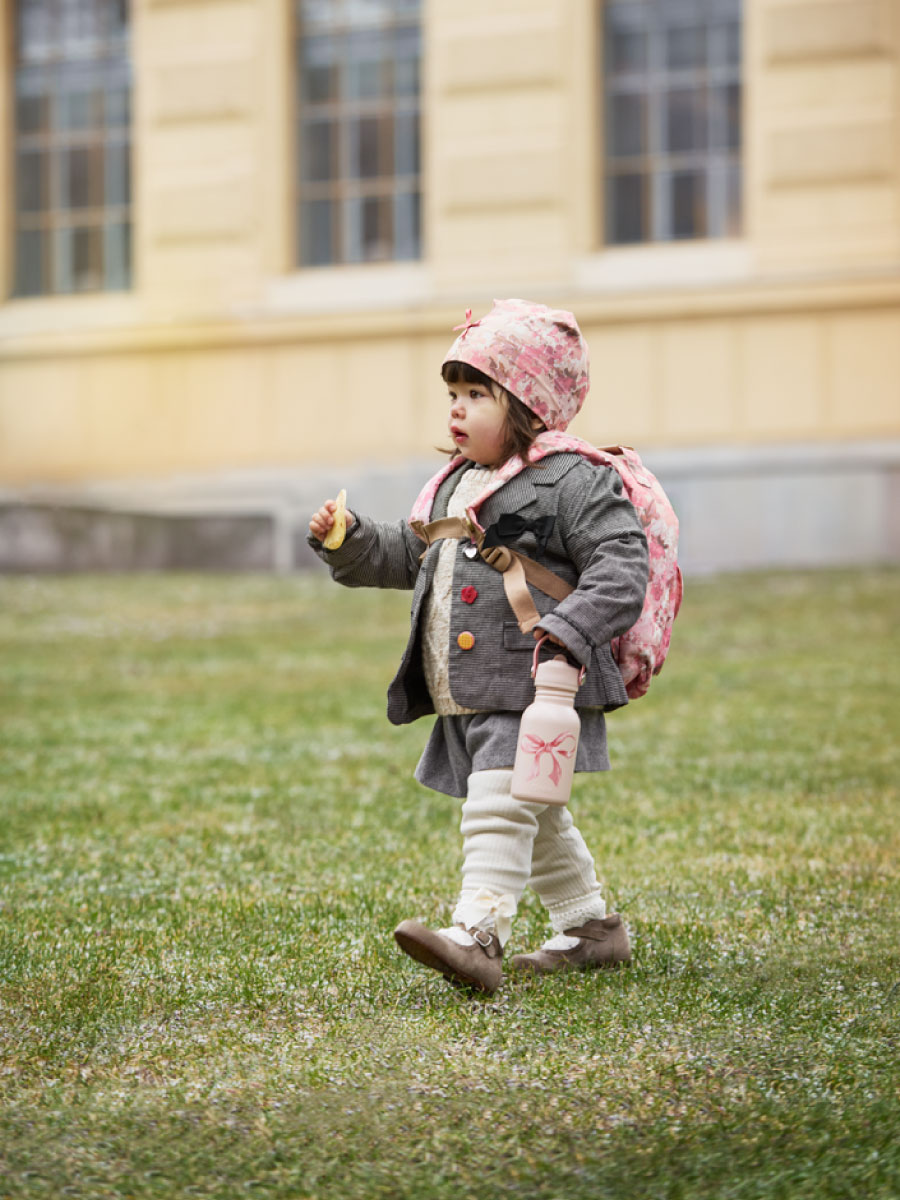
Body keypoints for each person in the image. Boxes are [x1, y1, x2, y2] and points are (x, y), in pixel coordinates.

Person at [308, 299, 649, 994]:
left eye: (476, 394)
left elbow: (623, 565)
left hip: (536, 680)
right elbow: (415, 553)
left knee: (496, 802)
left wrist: (569, 633)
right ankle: (591, 930)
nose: (456, 410)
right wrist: (348, 541)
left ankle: (478, 935)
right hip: (471, 684)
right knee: (534, 804)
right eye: (452, 394)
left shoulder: (576, 479)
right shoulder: (460, 483)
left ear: (527, 402)